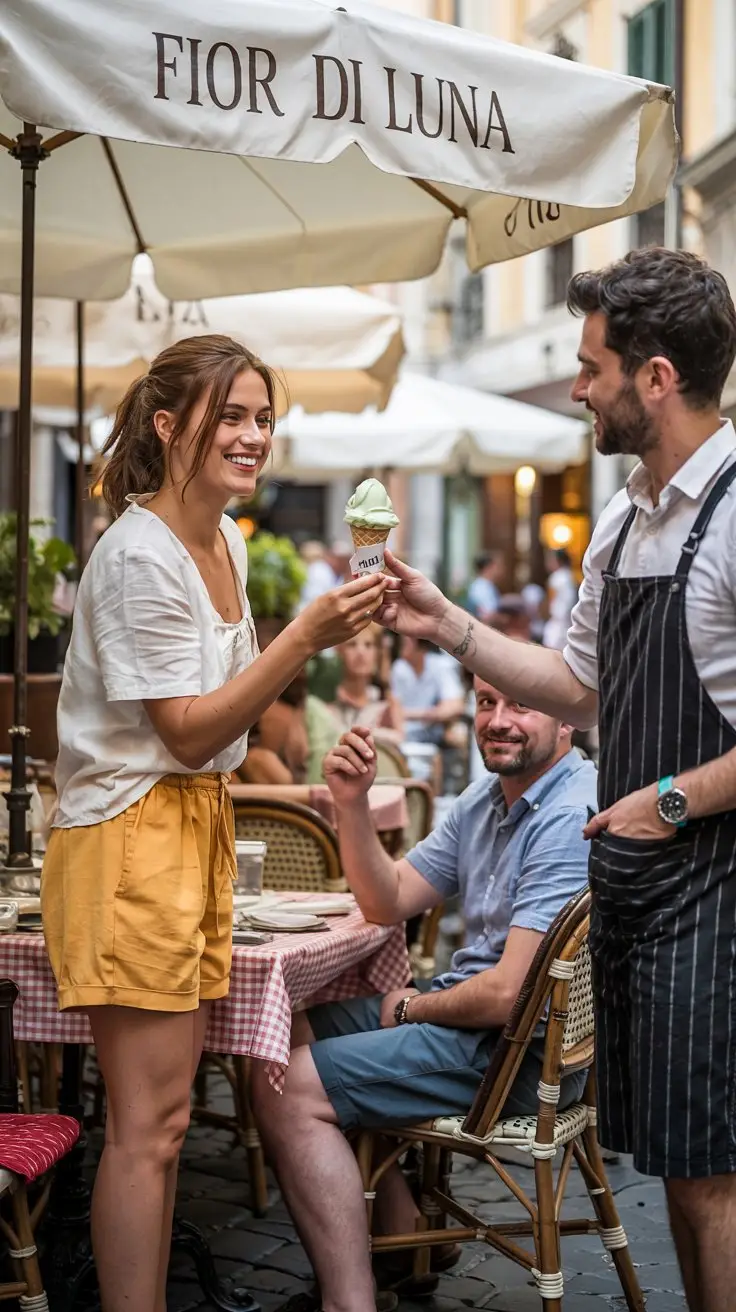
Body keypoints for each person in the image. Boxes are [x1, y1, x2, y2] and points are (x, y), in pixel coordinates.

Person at [375, 248, 736, 1312]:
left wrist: (666, 801)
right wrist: (450, 626)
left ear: (654, 377)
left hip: (716, 886)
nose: (579, 385)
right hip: (644, 892)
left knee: (712, 1171)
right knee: (678, 1157)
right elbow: (576, 685)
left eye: (592, 366)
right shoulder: (626, 515)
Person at [40, 334, 387, 1312]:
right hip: (132, 832)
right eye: (229, 415)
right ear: (168, 425)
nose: (251, 434)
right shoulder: (137, 551)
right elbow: (188, 733)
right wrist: (305, 637)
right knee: (146, 1128)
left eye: (261, 416)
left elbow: (221, 721)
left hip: (192, 827)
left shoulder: (226, 539)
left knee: (171, 1114)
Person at [252, 677, 596, 1312]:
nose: (499, 719)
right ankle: (406, 1234)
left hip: (518, 1056)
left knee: (287, 1086)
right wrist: (351, 805)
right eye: (486, 700)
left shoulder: (569, 811)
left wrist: (411, 1007)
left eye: (521, 703)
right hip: (479, 1024)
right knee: (285, 1028)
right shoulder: (487, 799)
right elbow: (388, 900)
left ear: (568, 719)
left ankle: (348, 1300)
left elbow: (508, 998)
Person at [331, 625, 403, 741]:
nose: (360, 652)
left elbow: (400, 741)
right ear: (340, 650)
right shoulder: (329, 700)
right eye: (352, 644)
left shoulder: (388, 703)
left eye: (368, 645)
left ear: (377, 652)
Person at [389, 635, 464, 745]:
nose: (401, 640)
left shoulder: (440, 665)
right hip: (405, 739)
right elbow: (395, 710)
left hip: (436, 740)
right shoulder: (399, 668)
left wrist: (413, 714)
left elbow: (455, 707)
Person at [299, 539, 352, 609]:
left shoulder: (340, 575)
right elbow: (315, 599)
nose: (346, 565)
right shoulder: (319, 571)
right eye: (342, 560)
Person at [542, 547, 578, 650]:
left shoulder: (556, 577)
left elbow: (550, 601)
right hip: (569, 621)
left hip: (557, 621)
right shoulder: (570, 576)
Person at [466, 549, 503, 621]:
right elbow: (485, 616)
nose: (500, 569)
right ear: (488, 567)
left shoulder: (489, 586)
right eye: (497, 566)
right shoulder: (479, 588)